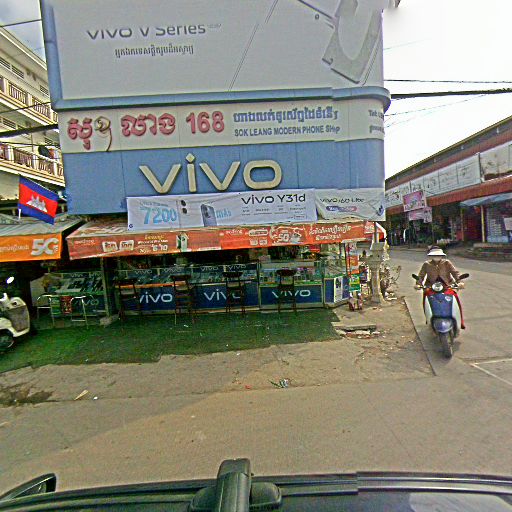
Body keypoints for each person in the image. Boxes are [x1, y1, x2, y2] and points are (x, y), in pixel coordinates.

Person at [416, 246, 465, 329]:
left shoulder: (447, 263)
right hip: (431, 286)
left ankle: (459, 320)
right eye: (434, 255)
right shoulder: (426, 264)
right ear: (431, 256)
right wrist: (418, 284)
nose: (437, 257)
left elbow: (455, 273)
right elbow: (421, 275)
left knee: (454, 296)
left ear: (442, 255)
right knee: (426, 297)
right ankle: (429, 318)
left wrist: (460, 282)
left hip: (447, 285)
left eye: (438, 255)